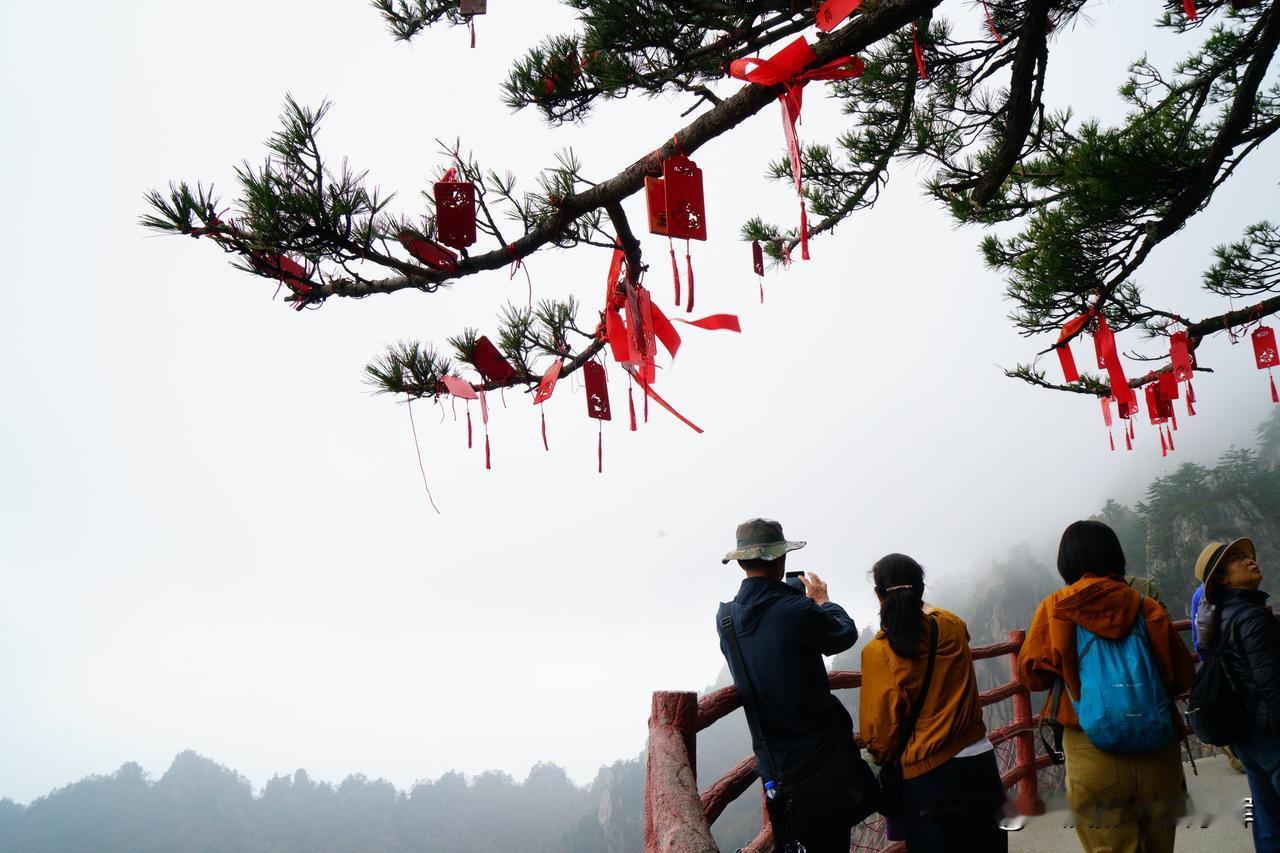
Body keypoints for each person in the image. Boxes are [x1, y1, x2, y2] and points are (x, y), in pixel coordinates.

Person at [1018, 519, 1195, 853]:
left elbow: (1032, 676)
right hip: (1156, 744)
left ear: (1066, 561)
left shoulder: (1054, 608)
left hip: (1090, 747)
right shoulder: (1145, 605)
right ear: (1116, 555)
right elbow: (1182, 675)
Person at [716, 518, 870, 853]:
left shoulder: (726, 619)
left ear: (741, 562)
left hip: (775, 770)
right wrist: (823, 601)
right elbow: (843, 634)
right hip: (820, 762)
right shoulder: (794, 609)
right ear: (780, 559)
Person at [858, 553, 1008, 852]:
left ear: (878, 596)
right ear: (921, 591)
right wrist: (916, 601)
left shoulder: (879, 651)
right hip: (980, 764)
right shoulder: (950, 627)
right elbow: (947, 620)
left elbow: (880, 733)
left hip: (928, 779)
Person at [1197, 537, 1280, 850]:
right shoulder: (1253, 617)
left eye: (1247, 555)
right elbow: (1271, 682)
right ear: (1222, 578)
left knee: (1269, 824)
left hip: (1245, 735)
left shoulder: (1221, 618)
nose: (1249, 560)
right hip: (1271, 734)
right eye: (1237, 559)